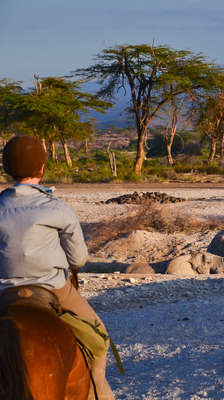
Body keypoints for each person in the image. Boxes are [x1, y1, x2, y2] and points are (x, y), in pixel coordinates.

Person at [0, 136, 114, 400]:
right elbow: (79, 260)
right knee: (99, 339)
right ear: (42, 168)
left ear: (6, 169)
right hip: (53, 288)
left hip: (3, 290)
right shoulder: (57, 208)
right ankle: (99, 392)